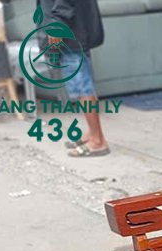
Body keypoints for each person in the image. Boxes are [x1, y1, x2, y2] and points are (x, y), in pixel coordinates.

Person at [41, 0, 109, 157]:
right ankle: (92, 133)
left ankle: (98, 141)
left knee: (81, 86)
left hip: (70, 28)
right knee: (82, 85)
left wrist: (57, 24)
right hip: (71, 25)